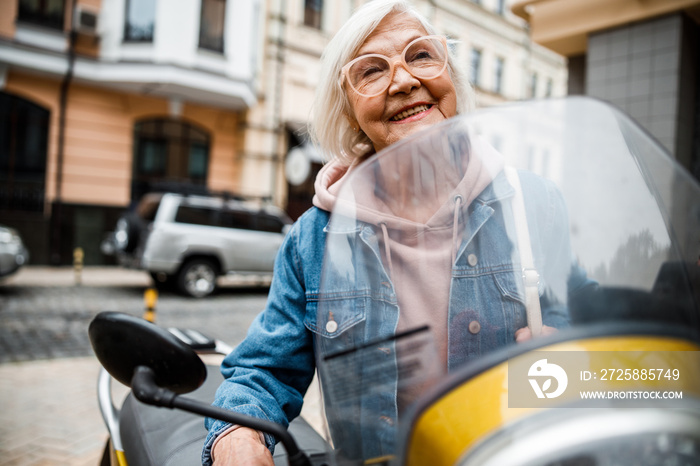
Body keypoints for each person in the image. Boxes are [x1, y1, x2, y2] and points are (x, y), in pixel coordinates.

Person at [203, 1, 575, 464]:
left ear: (453, 78)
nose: (403, 80)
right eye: (371, 71)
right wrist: (236, 436)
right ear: (350, 108)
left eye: (421, 56)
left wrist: (570, 358)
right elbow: (264, 370)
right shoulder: (313, 239)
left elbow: (598, 330)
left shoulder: (533, 204)